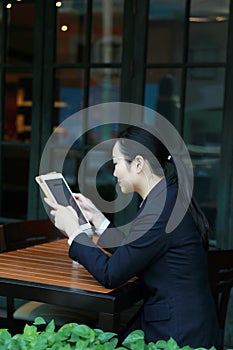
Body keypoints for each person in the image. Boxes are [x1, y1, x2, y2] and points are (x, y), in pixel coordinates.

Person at [44, 125, 221, 349]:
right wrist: (99, 220)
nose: (114, 172)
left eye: (116, 163)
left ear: (138, 163)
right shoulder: (166, 197)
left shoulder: (159, 209)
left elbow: (111, 273)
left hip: (178, 336)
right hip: (185, 323)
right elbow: (135, 252)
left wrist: (74, 232)